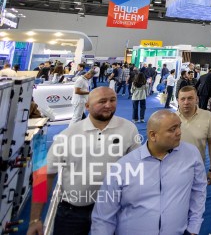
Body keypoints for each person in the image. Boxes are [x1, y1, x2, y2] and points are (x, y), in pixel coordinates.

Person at [27, 87, 140, 235]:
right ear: (87, 106)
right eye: (102, 101)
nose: (108, 105)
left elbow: (136, 169)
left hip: (113, 209)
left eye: (112, 100)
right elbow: (44, 176)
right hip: (72, 213)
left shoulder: (129, 129)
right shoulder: (68, 135)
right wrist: (35, 219)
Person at [91, 110, 207, 235]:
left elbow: (199, 190)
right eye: (172, 129)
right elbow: (103, 217)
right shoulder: (123, 167)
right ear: (153, 135)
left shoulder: (191, 154)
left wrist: (193, 227)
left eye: (179, 126)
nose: (179, 132)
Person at [176, 86, 211, 184]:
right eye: (182, 99)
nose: (186, 102)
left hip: (198, 170)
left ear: (197, 99)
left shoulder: (208, 116)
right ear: (178, 101)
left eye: (190, 98)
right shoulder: (171, 118)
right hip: (175, 170)